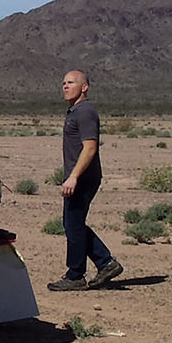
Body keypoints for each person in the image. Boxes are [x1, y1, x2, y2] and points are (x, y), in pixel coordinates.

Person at [48, 69, 123, 292]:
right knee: (73, 224)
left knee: (73, 224)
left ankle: (76, 274)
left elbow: (90, 148)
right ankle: (105, 263)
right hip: (78, 176)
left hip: (82, 178)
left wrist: (73, 177)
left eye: (71, 82)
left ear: (85, 87)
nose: (65, 86)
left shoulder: (85, 112)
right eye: (63, 83)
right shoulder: (74, 111)